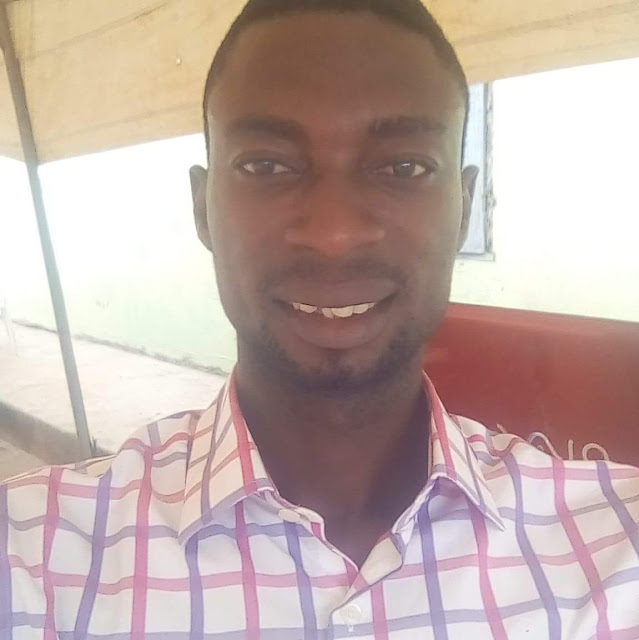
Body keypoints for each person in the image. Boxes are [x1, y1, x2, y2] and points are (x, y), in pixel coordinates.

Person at [2, 0, 638, 637]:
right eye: (267, 166)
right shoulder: (33, 554)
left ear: (463, 207)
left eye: (404, 167)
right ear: (203, 209)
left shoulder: (617, 544)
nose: (335, 235)